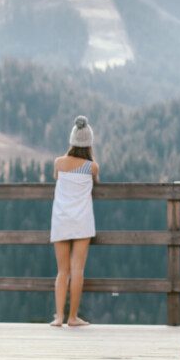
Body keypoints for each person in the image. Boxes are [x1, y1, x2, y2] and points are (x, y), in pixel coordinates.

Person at [50, 116, 99, 326]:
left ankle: (59, 316)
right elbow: (95, 183)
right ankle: (72, 317)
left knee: (62, 271)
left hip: (61, 219)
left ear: (72, 140)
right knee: (77, 270)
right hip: (82, 221)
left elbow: (57, 178)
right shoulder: (91, 167)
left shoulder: (59, 163)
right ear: (89, 143)